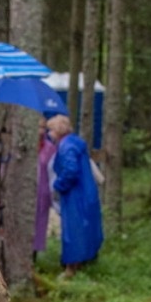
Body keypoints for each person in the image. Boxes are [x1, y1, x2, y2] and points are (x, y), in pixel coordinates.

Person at [46, 114, 103, 273]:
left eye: (50, 130)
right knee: (86, 229)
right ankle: (84, 262)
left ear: (57, 131)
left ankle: (71, 267)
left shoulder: (67, 146)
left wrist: (58, 184)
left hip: (75, 195)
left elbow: (71, 170)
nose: (49, 134)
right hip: (86, 192)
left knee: (73, 230)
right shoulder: (76, 143)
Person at [35, 119, 57, 257]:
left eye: (44, 127)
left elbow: (53, 171)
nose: (41, 131)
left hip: (42, 191)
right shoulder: (24, 146)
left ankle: (34, 256)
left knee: (39, 224)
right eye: (39, 127)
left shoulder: (50, 148)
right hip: (26, 191)